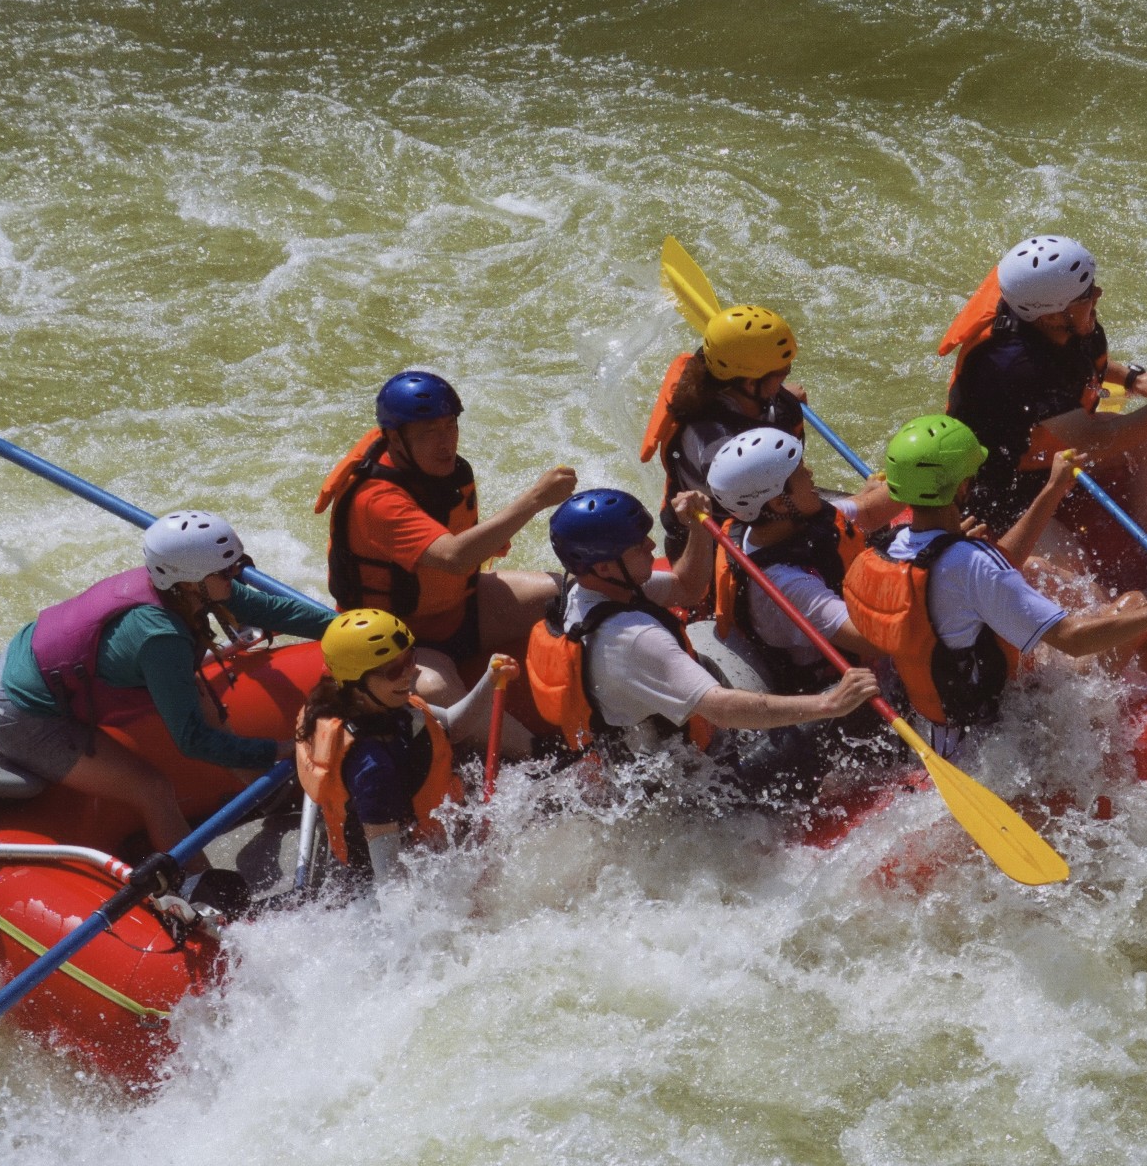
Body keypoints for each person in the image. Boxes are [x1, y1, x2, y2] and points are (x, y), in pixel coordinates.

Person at [842, 416, 1147, 757]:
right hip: (1016, 732)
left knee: (1034, 573)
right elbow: (1072, 639)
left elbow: (985, 571)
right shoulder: (969, 562)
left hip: (949, 733)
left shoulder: (889, 548)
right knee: (1138, 602)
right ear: (964, 486)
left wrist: (1053, 489)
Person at [0, 509, 333, 860]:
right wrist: (280, 749)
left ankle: (265, 794)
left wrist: (348, 628)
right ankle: (194, 884)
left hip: (29, 662)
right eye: (228, 570)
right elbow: (191, 741)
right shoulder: (160, 637)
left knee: (208, 706)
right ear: (193, 581)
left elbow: (275, 611)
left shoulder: (186, 586)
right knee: (153, 790)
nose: (238, 574)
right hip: (24, 715)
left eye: (239, 563)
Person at [525, 488, 878, 789]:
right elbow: (721, 710)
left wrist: (698, 524)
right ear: (604, 567)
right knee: (848, 710)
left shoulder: (583, 593)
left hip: (645, 755)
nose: (651, 545)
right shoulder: (633, 639)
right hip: (703, 788)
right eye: (638, 546)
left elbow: (687, 588)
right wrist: (830, 704)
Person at [939, 235, 1147, 588]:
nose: (1097, 294)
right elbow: (1094, 439)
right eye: (1087, 295)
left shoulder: (1045, 314)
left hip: (1044, 452)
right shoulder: (1015, 364)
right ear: (1054, 314)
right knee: (1071, 573)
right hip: (997, 491)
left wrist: (1132, 379)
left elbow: (1074, 364)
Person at [315, 369, 575, 710]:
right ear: (395, 439)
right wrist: (536, 498)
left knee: (567, 595)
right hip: (400, 639)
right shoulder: (376, 500)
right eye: (428, 433)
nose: (445, 441)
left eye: (450, 425)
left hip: (459, 609)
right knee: (438, 691)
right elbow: (453, 556)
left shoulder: (433, 469)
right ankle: (535, 753)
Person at [294, 608, 509, 890]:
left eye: (410, 658)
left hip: (410, 843)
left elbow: (455, 726)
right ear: (358, 683)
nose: (413, 671)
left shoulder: (373, 704)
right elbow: (391, 885)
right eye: (395, 669)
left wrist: (489, 681)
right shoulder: (373, 771)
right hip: (384, 878)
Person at [705, 428, 897, 694]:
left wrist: (924, 480)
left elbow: (869, 509)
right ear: (780, 504)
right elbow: (877, 642)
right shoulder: (785, 584)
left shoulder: (783, 524)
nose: (810, 475)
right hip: (830, 685)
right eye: (801, 472)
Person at [639, 305, 806, 560]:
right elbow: (781, 510)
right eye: (782, 373)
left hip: (755, 509)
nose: (785, 378)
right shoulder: (721, 445)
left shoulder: (723, 384)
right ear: (750, 383)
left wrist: (779, 397)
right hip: (720, 551)